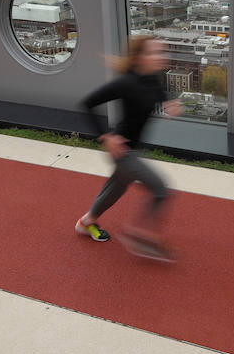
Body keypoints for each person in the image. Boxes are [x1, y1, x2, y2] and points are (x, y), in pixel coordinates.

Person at [75, 35, 183, 261]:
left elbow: (159, 99)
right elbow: (87, 103)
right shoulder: (127, 82)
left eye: (162, 52)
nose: (162, 56)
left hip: (134, 148)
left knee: (115, 189)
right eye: (154, 52)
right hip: (123, 151)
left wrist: (168, 106)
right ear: (139, 58)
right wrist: (105, 138)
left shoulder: (155, 78)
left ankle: (86, 222)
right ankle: (139, 236)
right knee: (161, 189)